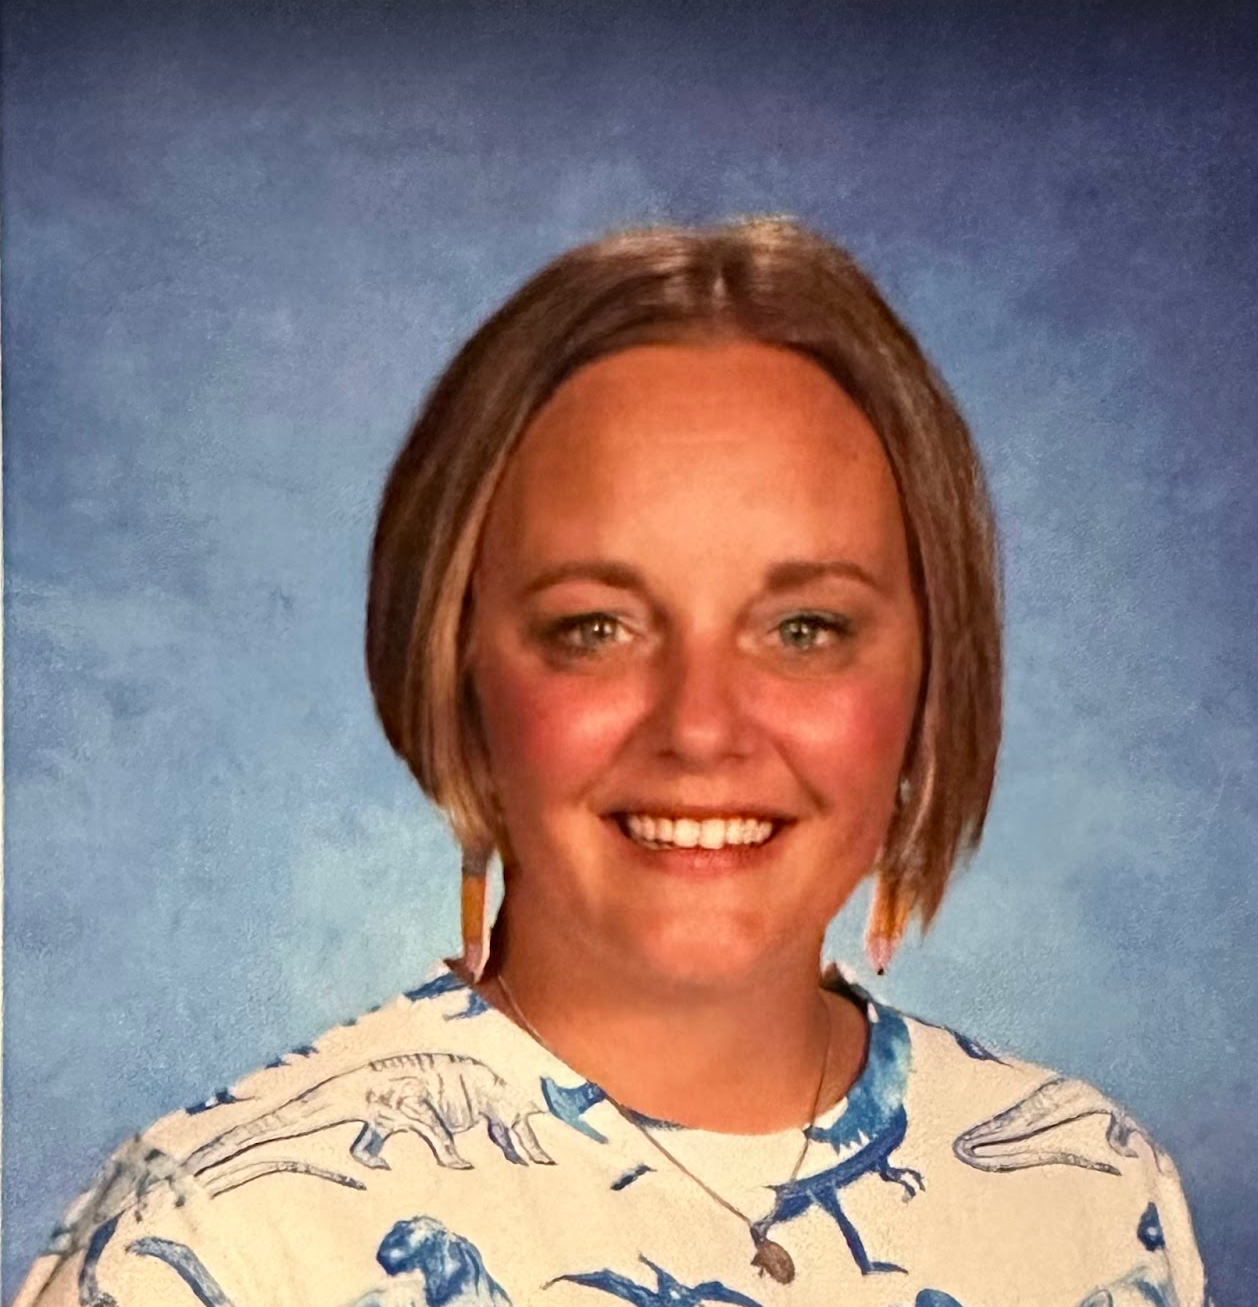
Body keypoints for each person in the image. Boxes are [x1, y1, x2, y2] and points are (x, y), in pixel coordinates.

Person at [15, 219, 1209, 1307]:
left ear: (931, 678)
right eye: (595, 626)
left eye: (805, 628)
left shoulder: (1092, 1195)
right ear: (456, 669)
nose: (701, 725)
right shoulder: (223, 1237)